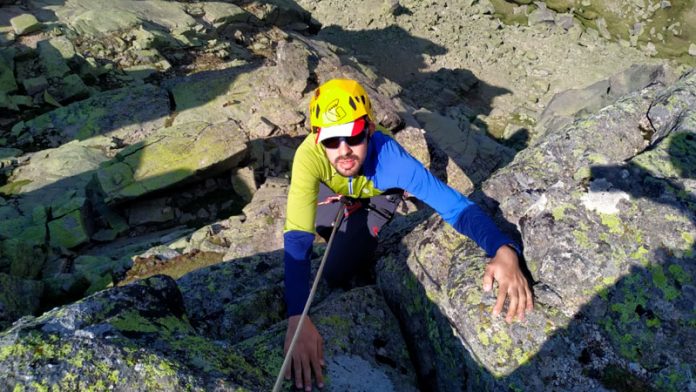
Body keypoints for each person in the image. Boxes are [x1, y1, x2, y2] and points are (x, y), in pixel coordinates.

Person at [282, 78, 533, 391]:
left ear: (369, 130)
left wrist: (503, 247)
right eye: (332, 141)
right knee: (326, 238)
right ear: (318, 139)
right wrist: (297, 317)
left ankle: (380, 203)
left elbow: (454, 206)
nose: (344, 149)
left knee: (337, 270)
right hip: (335, 190)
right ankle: (350, 204)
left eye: (354, 136)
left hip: (376, 192)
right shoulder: (309, 157)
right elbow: (297, 239)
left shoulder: (391, 159)